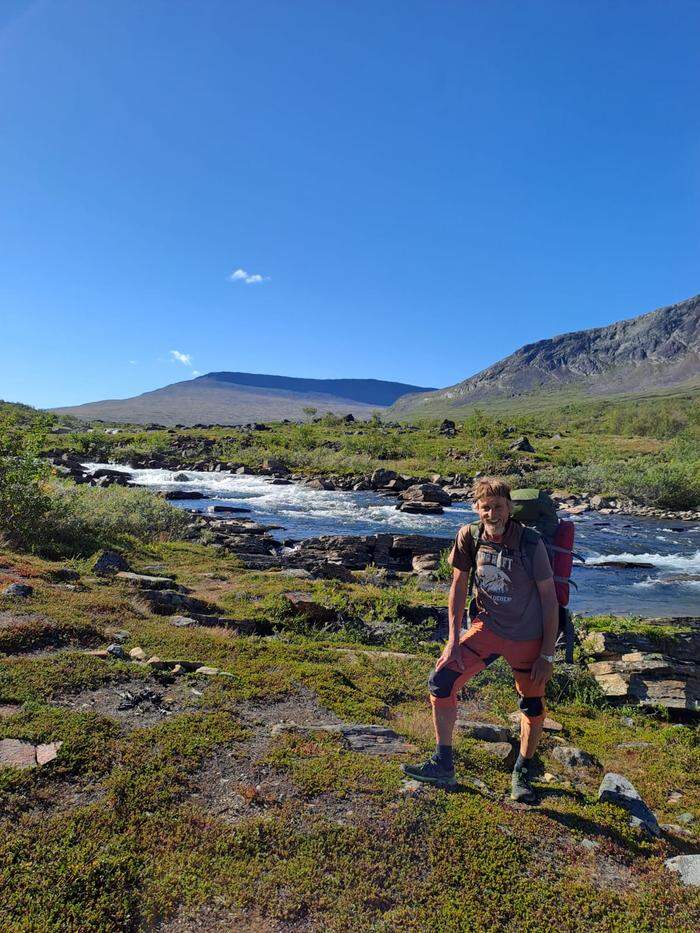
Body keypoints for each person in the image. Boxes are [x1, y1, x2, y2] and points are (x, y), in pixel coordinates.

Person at [402, 477, 559, 802]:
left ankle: (523, 771)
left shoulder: (530, 543)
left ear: (510, 508)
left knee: (531, 704)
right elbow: (458, 587)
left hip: (528, 638)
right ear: (477, 508)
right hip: (486, 629)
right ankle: (443, 763)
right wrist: (452, 640)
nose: (492, 514)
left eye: (498, 507)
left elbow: (549, 599)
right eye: (485, 507)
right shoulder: (469, 537)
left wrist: (547, 655)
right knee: (441, 682)